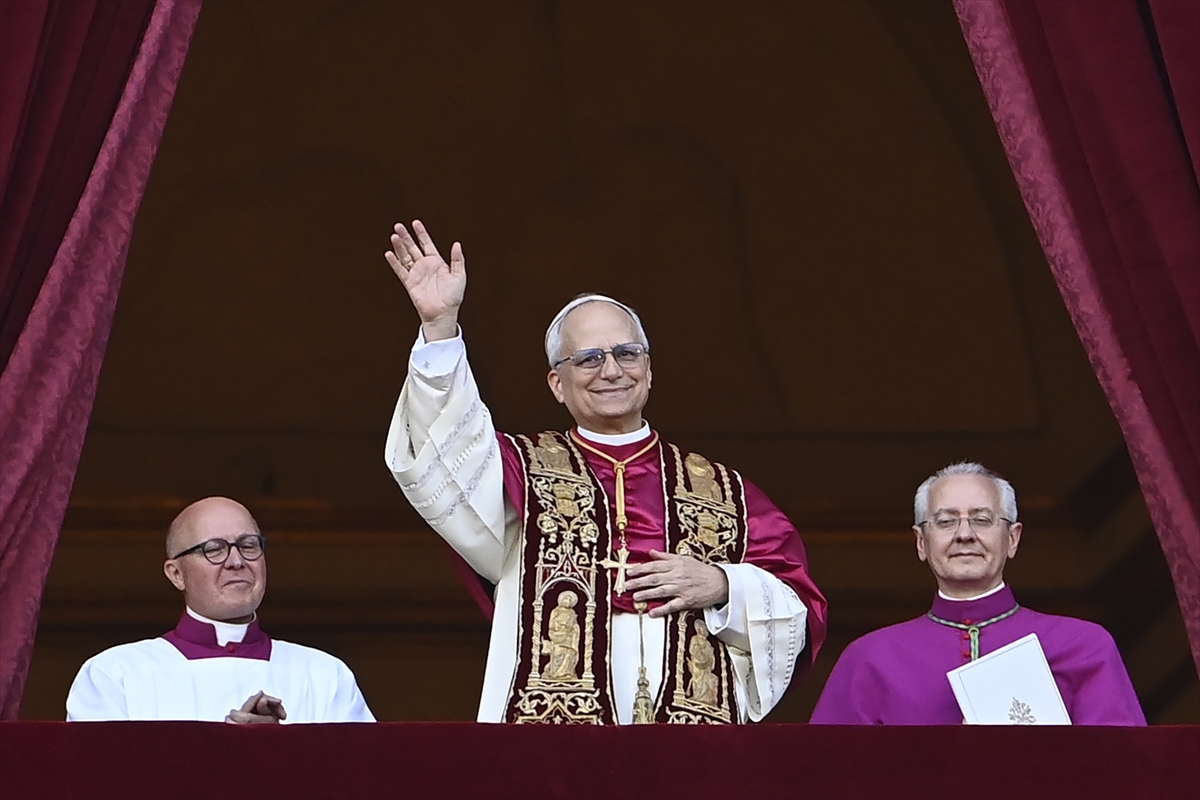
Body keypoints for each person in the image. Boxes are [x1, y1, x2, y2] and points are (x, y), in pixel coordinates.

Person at [382, 220, 827, 724]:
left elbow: (801, 611)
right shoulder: (515, 472)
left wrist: (724, 585)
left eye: (626, 353)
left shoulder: (726, 492)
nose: (612, 370)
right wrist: (440, 329)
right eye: (589, 358)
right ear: (557, 383)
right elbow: (447, 446)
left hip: (692, 749)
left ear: (649, 369)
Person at [810, 462, 1145, 725]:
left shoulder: (1083, 646)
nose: (965, 534)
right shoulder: (870, 659)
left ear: (1012, 538)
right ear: (921, 542)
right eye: (945, 521)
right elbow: (827, 778)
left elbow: (1122, 771)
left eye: (982, 520)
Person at [66, 497, 374, 723]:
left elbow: (360, 782)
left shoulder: (324, 675)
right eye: (214, 549)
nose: (236, 561)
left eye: (249, 545)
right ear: (176, 574)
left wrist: (281, 751)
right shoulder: (115, 675)